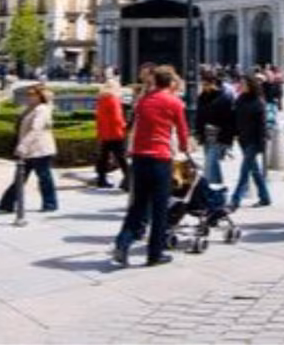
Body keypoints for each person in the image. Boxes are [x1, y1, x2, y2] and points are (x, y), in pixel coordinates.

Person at [111, 65, 190, 268]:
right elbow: (183, 133)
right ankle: (154, 254)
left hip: (139, 157)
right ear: (171, 82)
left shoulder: (143, 101)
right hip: (160, 158)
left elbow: (136, 126)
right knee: (159, 208)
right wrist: (184, 149)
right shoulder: (175, 102)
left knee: (138, 205)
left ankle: (123, 243)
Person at [0, 85, 58, 213]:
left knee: (44, 178)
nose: (29, 96)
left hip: (39, 150)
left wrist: (23, 145)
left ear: (40, 96)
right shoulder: (30, 108)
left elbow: (36, 129)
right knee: (20, 177)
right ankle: (7, 203)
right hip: (29, 150)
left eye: (32, 94)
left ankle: (50, 204)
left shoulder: (42, 109)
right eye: (28, 94)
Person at [230, 74, 272, 210]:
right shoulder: (240, 99)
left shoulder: (258, 102)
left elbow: (262, 125)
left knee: (244, 172)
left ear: (250, 85)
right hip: (243, 139)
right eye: (240, 83)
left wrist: (262, 144)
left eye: (243, 84)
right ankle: (265, 197)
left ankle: (235, 199)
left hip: (254, 141)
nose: (240, 86)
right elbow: (235, 119)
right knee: (255, 170)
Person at [194, 72, 235, 186]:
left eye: (206, 84)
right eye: (202, 84)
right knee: (213, 163)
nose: (204, 86)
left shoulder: (225, 98)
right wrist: (198, 133)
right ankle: (218, 188)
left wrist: (228, 139)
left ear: (213, 83)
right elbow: (199, 116)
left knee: (209, 164)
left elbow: (230, 120)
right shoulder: (202, 97)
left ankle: (207, 190)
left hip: (219, 135)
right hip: (206, 135)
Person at [95, 78, 130, 190]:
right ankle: (129, 178)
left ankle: (101, 179)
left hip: (105, 132)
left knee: (104, 157)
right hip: (115, 132)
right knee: (121, 157)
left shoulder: (101, 99)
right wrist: (124, 125)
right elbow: (117, 117)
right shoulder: (113, 99)